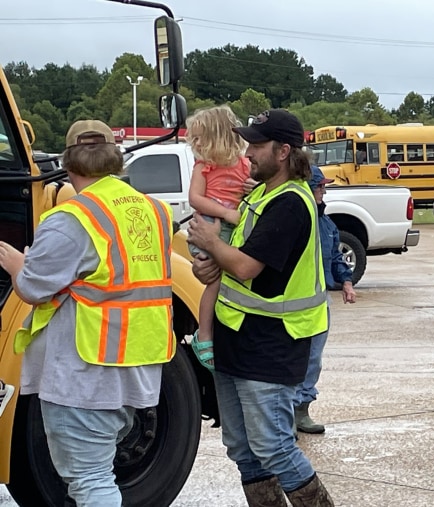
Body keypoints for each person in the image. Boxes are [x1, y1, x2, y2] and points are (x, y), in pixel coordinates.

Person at [0, 120, 175, 506]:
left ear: (68, 163)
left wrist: (17, 265)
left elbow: (32, 287)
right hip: (136, 366)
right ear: (116, 159)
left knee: (90, 481)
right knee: (97, 473)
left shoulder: (71, 219)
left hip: (84, 376)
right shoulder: (155, 211)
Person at [187, 109, 334, 506]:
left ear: (283, 151)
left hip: (271, 343)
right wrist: (210, 265)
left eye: (256, 145)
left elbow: (249, 267)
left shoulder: (288, 203)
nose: (247, 152)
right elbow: (237, 258)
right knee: (244, 450)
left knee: (274, 448)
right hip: (237, 336)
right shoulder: (261, 194)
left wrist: (211, 243)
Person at [185, 105, 251, 371]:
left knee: (228, 279)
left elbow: (253, 197)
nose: (196, 143)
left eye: (199, 137)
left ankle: (217, 332)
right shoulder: (204, 167)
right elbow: (195, 199)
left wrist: (252, 188)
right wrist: (226, 213)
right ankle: (205, 334)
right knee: (214, 282)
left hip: (231, 229)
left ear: (218, 136)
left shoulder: (245, 165)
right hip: (211, 226)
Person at [294, 166, 356, 434]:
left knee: (313, 359)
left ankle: (302, 411)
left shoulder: (327, 224)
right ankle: (285, 415)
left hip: (319, 304)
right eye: (320, 187)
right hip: (293, 304)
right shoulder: (295, 222)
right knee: (293, 359)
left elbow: (335, 256)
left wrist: (346, 281)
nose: (324, 192)